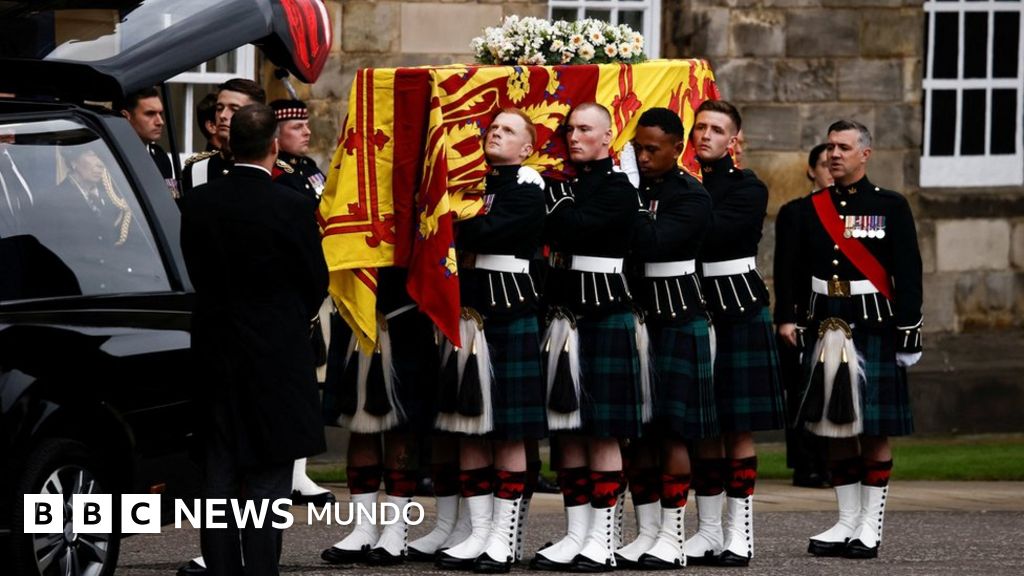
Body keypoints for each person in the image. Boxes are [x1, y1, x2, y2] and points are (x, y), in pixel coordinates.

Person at [179, 103, 328, 576]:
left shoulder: (199, 204)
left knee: (219, 476)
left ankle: (223, 568)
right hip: (275, 355)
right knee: (267, 475)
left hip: (214, 351)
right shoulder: (294, 204)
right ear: (272, 146)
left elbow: (193, 271)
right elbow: (314, 280)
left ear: (227, 144)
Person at [795, 120, 922, 560]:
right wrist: (792, 321)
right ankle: (847, 519)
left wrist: (909, 332)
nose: (834, 154)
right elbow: (794, 274)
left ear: (865, 154)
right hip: (827, 324)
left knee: (874, 427)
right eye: (830, 147)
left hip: (874, 324)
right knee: (834, 426)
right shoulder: (806, 209)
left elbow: (908, 272)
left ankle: (871, 523)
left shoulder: (891, 205)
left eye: (844, 147)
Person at [431, 108, 548, 573]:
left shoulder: (528, 187)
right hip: (471, 312)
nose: (495, 134)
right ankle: (479, 531)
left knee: (510, 431)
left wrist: (462, 226)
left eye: (508, 131)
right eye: (493, 128)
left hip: (511, 309)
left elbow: (496, 229)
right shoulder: (476, 186)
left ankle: (503, 536)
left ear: (527, 148)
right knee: (470, 424)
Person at [530, 103, 640, 572]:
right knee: (567, 429)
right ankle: (577, 533)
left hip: (603, 311)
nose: (574, 136)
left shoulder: (618, 187)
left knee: (603, 428)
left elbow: (571, 226)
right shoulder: (564, 184)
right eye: (569, 129)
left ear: (608, 134)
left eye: (585, 129)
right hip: (563, 313)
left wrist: (554, 204)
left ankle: (604, 536)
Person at [615, 108, 715, 569]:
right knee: (639, 434)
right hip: (640, 318)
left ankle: (672, 537)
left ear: (678, 148)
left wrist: (631, 199)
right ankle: (648, 531)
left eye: (653, 148)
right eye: (638, 146)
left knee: (674, 432)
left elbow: (653, 243)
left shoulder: (691, 196)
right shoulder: (636, 191)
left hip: (677, 317)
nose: (643, 155)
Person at [687, 99, 785, 567]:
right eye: (700, 127)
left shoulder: (748, 187)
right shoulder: (679, 184)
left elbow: (715, 233)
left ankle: (739, 533)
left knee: (737, 425)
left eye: (716, 129)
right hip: (691, 303)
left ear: (734, 141)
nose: (705, 135)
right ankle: (706, 531)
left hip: (737, 306)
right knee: (703, 423)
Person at [775, 143, 832, 489]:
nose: (831, 168)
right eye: (824, 164)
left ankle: (833, 463)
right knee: (802, 391)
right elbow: (784, 269)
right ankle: (806, 464)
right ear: (811, 170)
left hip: (841, 314)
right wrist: (785, 317)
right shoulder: (796, 212)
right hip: (804, 315)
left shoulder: (856, 213)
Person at [181, 78, 266, 197]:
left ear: (256, 116)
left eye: (234, 109)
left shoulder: (276, 172)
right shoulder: (196, 170)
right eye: (219, 108)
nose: (223, 115)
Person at [117, 87, 177, 199]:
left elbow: (172, 201)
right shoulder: (113, 157)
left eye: (160, 114)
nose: (160, 122)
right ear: (125, 117)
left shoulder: (160, 157)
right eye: (150, 114)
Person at [269, 99, 326, 202]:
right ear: (276, 134)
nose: (307, 132)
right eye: (297, 127)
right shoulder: (276, 173)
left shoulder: (308, 165)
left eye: (307, 126)